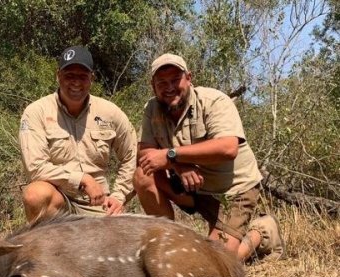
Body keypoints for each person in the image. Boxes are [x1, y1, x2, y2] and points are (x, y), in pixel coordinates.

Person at [134, 53, 284, 261]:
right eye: (162, 82)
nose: (169, 87)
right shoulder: (152, 108)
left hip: (233, 191)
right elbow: (145, 154)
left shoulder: (214, 101)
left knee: (215, 263)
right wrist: (178, 165)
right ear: (153, 86)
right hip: (193, 188)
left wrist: (171, 156)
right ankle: (168, 246)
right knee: (144, 174)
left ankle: (262, 232)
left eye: (175, 80)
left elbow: (228, 148)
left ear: (189, 78)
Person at [19, 46, 137, 222]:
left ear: (92, 78)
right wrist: (81, 179)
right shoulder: (36, 112)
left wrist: (119, 196)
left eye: (82, 76)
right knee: (35, 194)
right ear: (58, 75)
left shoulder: (110, 112)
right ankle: (49, 246)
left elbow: (132, 155)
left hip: (100, 203)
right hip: (60, 201)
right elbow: (36, 168)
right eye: (69, 76)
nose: (76, 83)